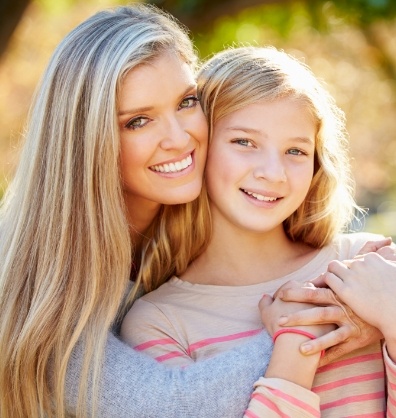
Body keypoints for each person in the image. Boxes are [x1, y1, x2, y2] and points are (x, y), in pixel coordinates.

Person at [0, 4, 384, 418]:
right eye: (138, 121)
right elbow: (169, 404)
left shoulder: (358, 259)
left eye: (186, 102)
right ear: (88, 142)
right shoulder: (42, 288)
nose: (179, 137)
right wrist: (319, 326)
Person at [120, 46, 395, 416]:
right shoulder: (160, 322)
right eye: (244, 142)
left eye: (295, 151)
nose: (273, 172)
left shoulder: (371, 263)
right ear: (197, 146)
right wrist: (295, 347)